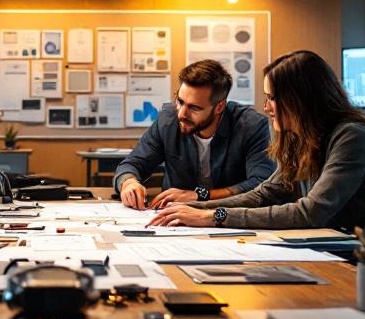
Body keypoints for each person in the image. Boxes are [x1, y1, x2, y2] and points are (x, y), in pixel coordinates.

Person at [149, 50, 365, 261]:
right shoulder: (300, 138)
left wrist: (215, 215)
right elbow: (263, 194)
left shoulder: (352, 137)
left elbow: (310, 212)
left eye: (272, 98)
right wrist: (194, 210)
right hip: (335, 240)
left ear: (299, 100)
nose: (266, 107)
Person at [114, 59, 274, 210]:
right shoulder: (168, 120)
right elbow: (131, 164)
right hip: (173, 221)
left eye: (194, 108)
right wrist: (129, 183)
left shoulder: (251, 125)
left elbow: (261, 184)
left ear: (219, 107)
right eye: (180, 101)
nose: (181, 114)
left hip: (228, 217)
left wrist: (200, 196)